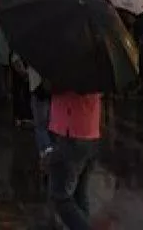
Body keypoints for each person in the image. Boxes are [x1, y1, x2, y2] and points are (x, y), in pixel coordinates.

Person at [48, 88, 102, 230]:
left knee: (60, 196)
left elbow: (50, 87)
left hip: (70, 132)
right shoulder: (96, 70)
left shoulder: (68, 70)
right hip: (91, 131)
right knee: (80, 193)